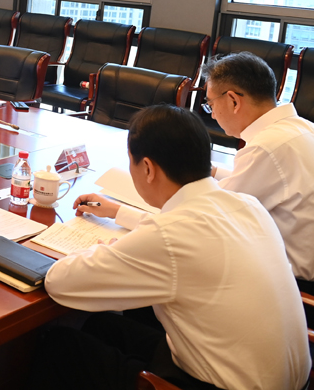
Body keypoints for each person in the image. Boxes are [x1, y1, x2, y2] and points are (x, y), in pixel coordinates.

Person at [32, 105, 310, 390]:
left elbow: (58, 282)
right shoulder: (248, 205)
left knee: (60, 344)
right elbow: (183, 236)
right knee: (101, 325)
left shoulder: (169, 234)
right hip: (290, 381)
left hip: (220, 386)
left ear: (148, 168)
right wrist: (122, 220)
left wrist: (104, 251)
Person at [109, 52, 314, 291]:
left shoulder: (267, 148)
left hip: (294, 285)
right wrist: (213, 171)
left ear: (233, 101)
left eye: (211, 105)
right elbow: (267, 182)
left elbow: (200, 219)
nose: (213, 115)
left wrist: (118, 211)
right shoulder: (301, 128)